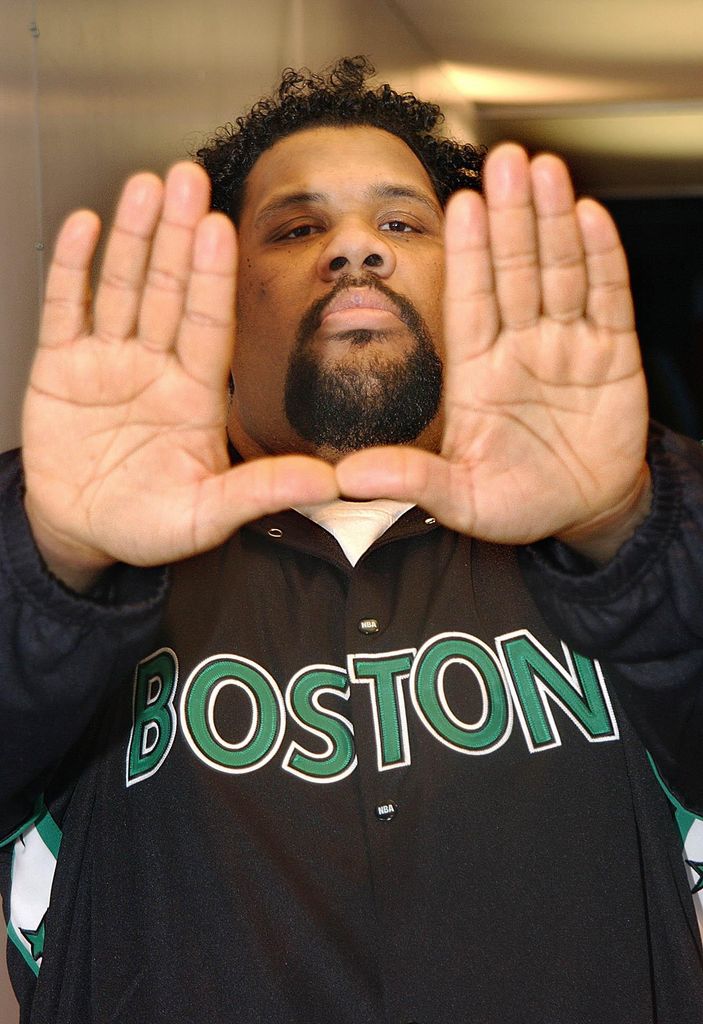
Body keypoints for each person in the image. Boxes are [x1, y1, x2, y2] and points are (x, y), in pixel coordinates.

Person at [1, 55, 702, 1023]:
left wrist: (630, 525)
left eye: (401, 223)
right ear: (217, 292)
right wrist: (45, 560)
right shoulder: (80, 552)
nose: (354, 250)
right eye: (296, 227)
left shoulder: (622, 528)